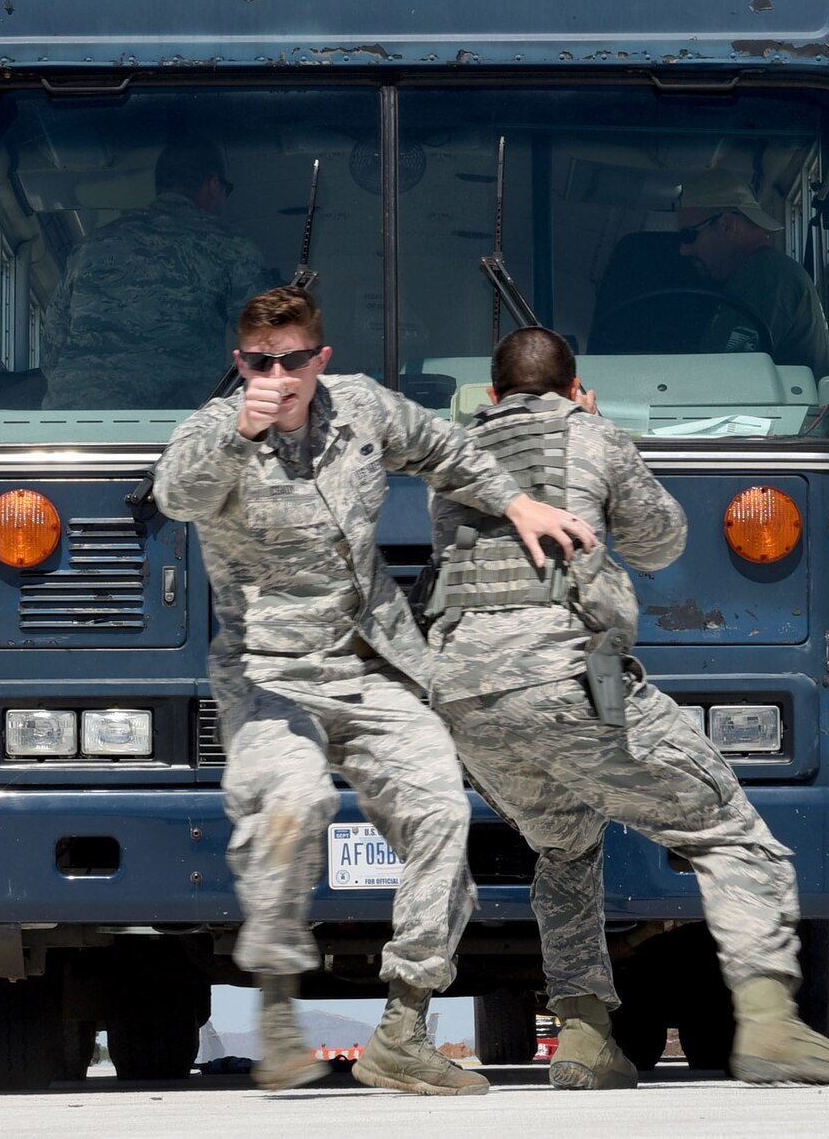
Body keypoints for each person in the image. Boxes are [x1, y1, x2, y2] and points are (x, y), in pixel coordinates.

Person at [153, 286, 597, 1096]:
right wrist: (240, 429)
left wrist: (518, 500)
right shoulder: (215, 430)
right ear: (239, 361)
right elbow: (174, 494)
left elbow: (445, 449)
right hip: (268, 672)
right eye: (259, 361)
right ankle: (281, 1013)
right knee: (291, 807)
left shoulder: (360, 408)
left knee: (441, 811)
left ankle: (402, 1028)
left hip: (373, 663)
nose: (276, 375)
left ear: (320, 361)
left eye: (292, 360)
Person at [425, 327, 829, 1087]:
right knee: (733, 832)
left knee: (565, 849)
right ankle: (769, 1026)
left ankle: (584, 1035)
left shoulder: (457, 459)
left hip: (466, 695)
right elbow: (662, 540)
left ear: (494, 396)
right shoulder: (591, 434)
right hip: (567, 676)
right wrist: (605, 434)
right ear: (575, 388)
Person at [41, 136, 276, 408]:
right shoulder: (228, 246)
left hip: (72, 427)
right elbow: (267, 342)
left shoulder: (92, 246)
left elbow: (51, 347)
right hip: (175, 428)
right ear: (213, 185)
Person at [674, 169, 829, 377]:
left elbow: (720, 380)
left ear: (726, 226)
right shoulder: (766, 274)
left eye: (688, 236)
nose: (683, 249)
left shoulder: (765, 277)